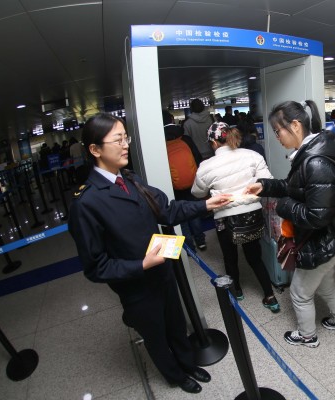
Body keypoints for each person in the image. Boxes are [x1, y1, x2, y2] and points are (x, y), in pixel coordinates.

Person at [68, 113, 231, 394]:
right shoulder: (87, 203)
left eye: (125, 138)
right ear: (94, 149)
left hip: (163, 272)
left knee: (177, 325)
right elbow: (96, 267)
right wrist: (140, 264)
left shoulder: (131, 179)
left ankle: (188, 363)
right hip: (137, 288)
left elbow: (167, 211)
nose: (125, 145)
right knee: (156, 336)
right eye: (117, 139)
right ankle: (174, 376)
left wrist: (205, 205)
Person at [244, 100, 335, 348]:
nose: (277, 137)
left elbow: (316, 216)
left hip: (318, 243)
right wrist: (266, 186)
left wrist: (282, 205)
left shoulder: (315, 162)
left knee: (300, 294)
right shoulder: (312, 153)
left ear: (295, 125)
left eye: (277, 131)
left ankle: (307, 336)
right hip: (329, 241)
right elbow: (297, 188)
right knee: (327, 286)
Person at [191, 122, 280, 312]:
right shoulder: (252, 155)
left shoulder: (206, 166)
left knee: (229, 257)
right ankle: (270, 296)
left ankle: (237, 291)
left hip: (224, 218)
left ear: (213, 142)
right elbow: (268, 182)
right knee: (255, 257)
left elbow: (198, 193)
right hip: (252, 213)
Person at [163, 110, 207, 251]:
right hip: (191, 181)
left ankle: (189, 246)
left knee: (180, 215)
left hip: (174, 186)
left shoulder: (160, 142)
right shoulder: (185, 138)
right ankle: (201, 241)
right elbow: (197, 157)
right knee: (193, 211)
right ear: (172, 119)